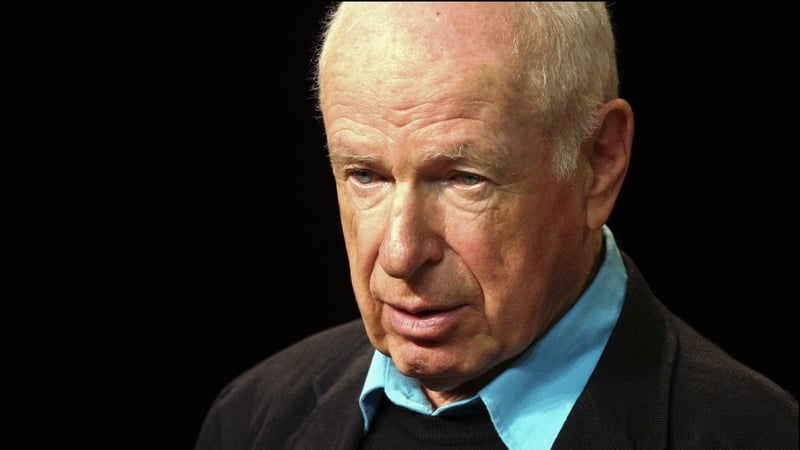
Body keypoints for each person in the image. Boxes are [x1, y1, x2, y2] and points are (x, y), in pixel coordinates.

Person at [194, 2, 798, 449]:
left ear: (600, 163)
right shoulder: (250, 419)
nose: (401, 254)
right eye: (366, 176)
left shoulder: (757, 433)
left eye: (463, 178)